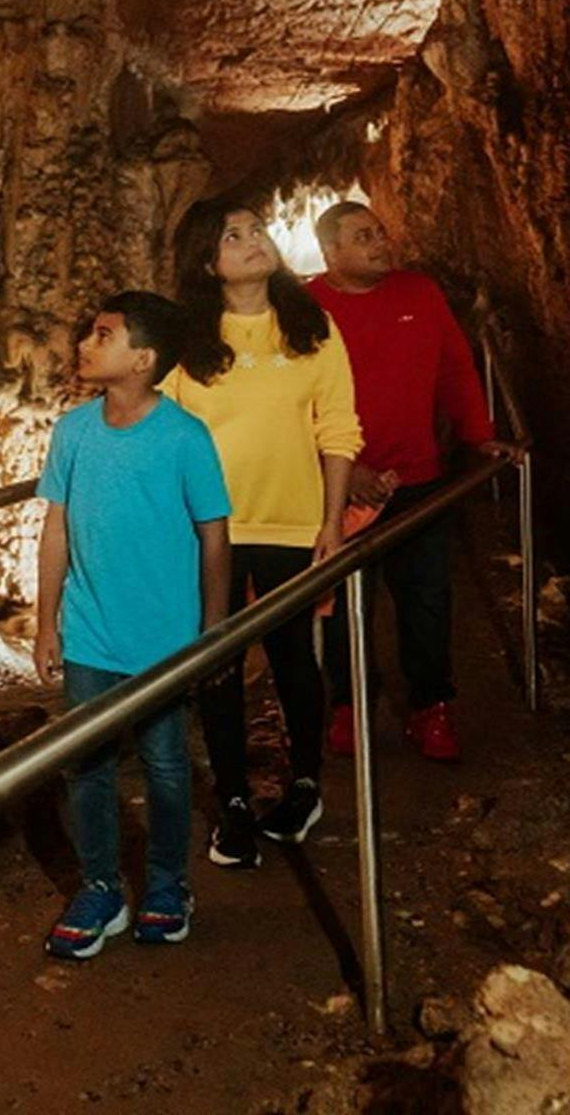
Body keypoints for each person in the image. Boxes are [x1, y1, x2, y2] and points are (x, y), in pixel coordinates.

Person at [162, 200, 361, 869]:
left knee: (292, 658)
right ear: (208, 262)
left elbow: (338, 428)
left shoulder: (312, 327)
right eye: (233, 235)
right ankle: (235, 803)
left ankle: (304, 784)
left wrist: (333, 522)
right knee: (217, 664)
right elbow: (158, 429)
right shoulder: (188, 339)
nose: (253, 242)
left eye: (257, 230)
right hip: (209, 529)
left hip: (293, 520)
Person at [35, 291, 232, 959]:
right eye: (92, 332)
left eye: (103, 335)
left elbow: (214, 534)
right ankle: (99, 886)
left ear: (143, 359)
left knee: (167, 765)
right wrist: (45, 623)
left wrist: (212, 628)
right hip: (89, 627)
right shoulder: (73, 431)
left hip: (164, 635)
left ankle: (168, 883)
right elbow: (55, 527)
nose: (87, 344)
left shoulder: (184, 437)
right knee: (85, 765)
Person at [306, 200, 514, 762]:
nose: (380, 242)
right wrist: (347, 473)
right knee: (347, 600)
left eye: (379, 231)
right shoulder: (306, 309)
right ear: (331, 252)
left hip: (419, 479)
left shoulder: (418, 294)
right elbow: (292, 403)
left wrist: (478, 433)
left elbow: (453, 366)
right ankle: (350, 705)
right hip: (339, 489)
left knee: (426, 598)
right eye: (362, 236)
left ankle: (431, 707)